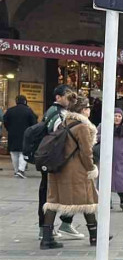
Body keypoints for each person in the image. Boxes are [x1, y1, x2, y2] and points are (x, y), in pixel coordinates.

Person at [41, 94, 100, 249]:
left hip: (58, 168)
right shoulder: (82, 127)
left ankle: (46, 238)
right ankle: (95, 236)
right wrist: (91, 168)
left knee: (53, 202)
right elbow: (86, 153)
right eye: (87, 108)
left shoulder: (64, 122)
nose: (89, 111)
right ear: (82, 110)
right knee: (88, 201)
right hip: (76, 170)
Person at [39, 85, 80, 241]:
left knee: (51, 193)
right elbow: (61, 136)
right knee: (51, 194)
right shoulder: (57, 114)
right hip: (55, 159)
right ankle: (46, 229)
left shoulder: (54, 112)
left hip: (51, 158)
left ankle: (52, 227)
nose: (69, 100)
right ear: (58, 97)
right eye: (67, 97)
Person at [98, 109, 123, 211]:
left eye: (119, 116)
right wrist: (104, 137)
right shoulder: (104, 125)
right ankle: (107, 201)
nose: (117, 118)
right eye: (115, 116)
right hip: (107, 158)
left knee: (122, 181)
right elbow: (94, 137)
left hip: (121, 159)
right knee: (106, 180)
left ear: (122, 118)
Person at [3, 95, 37, 178]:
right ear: (25, 101)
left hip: (12, 134)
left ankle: (16, 171)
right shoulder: (29, 111)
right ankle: (21, 170)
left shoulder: (10, 111)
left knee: (14, 153)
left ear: (16, 101)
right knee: (23, 152)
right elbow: (34, 122)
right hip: (25, 134)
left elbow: (5, 121)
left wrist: (9, 129)